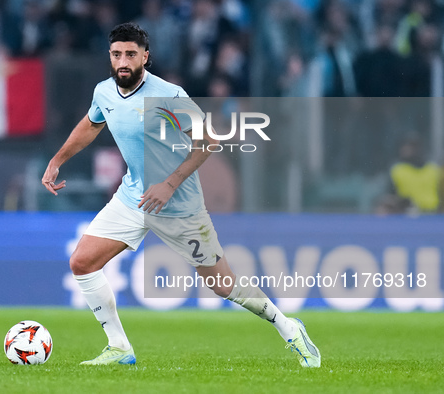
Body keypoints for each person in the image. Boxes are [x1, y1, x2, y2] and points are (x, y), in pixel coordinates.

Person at [42, 22, 321, 367]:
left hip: (179, 207)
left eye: (131, 54)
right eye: (117, 54)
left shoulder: (169, 95)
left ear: (146, 56)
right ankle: (119, 347)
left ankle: (289, 327)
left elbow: (209, 141)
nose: (123, 61)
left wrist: (169, 184)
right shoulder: (104, 92)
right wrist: (57, 160)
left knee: (223, 286)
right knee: (82, 262)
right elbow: (92, 123)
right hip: (133, 199)